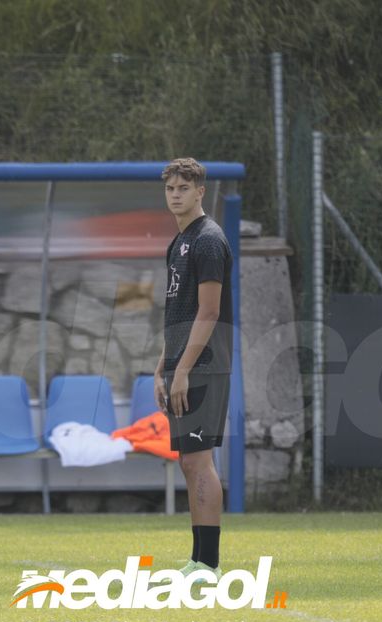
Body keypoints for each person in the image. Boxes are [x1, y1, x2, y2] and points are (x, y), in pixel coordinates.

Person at [153, 158, 234, 578]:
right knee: (189, 462)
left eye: (184, 187)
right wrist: (162, 367)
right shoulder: (178, 241)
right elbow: (178, 313)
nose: (176, 194)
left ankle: (209, 564)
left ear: (201, 191)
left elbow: (209, 312)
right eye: (170, 189)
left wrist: (183, 370)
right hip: (183, 365)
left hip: (204, 365)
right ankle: (198, 560)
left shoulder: (208, 240)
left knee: (200, 462)